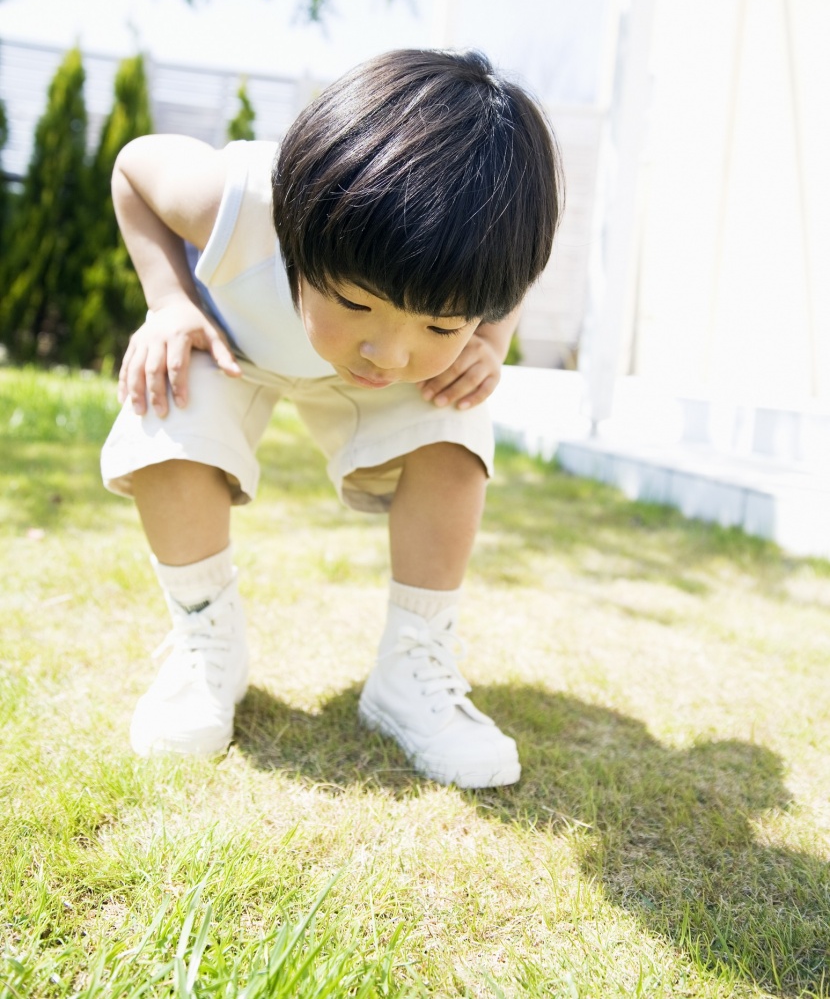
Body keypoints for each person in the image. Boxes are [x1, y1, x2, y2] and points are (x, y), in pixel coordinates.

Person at [101, 48, 562, 789]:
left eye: (439, 324)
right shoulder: (234, 198)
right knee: (168, 382)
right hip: (232, 344)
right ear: (305, 226)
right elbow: (132, 168)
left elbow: (511, 277)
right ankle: (204, 638)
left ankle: (412, 663)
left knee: (457, 418)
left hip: (344, 373)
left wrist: (486, 343)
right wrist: (168, 301)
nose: (392, 350)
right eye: (358, 303)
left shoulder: (469, 269)